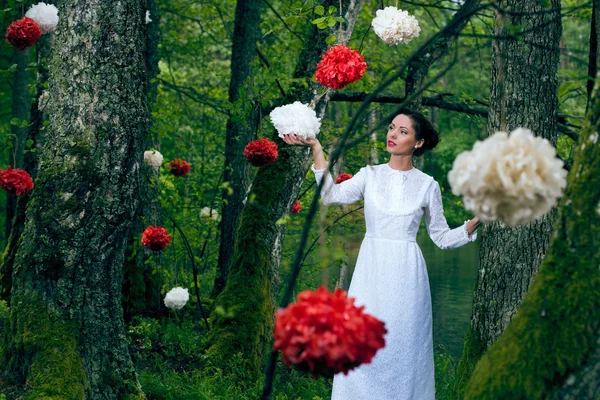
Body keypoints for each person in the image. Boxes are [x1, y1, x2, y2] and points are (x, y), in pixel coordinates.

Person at [281, 109, 481, 400]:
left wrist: (474, 223)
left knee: (404, 346)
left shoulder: (428, 185)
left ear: (418, 142)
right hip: (370, 273)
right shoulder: (369, 175)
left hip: (408, 276)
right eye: (391, 128)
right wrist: (316, 147)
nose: (392, 134)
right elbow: (330, 195)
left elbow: (441, 237)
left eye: (403, 131)